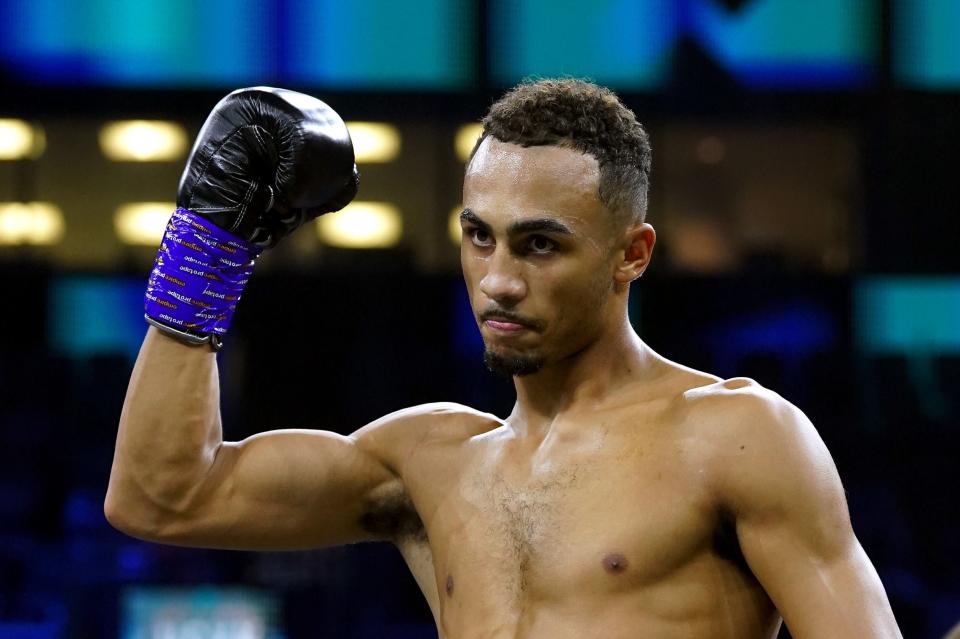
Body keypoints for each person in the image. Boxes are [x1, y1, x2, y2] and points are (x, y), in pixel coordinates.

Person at [106, 79, 903, 638]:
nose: (499, 280)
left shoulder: (735, 435)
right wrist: (207, 247)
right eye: (478, 235)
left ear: (633, 254)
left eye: (540, 244)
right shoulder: (430, 461)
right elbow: (161, 497)